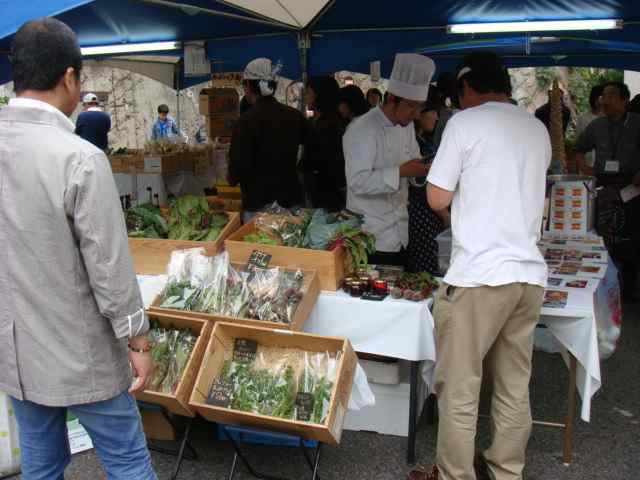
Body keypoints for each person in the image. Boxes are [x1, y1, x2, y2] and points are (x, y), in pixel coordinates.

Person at [0, 18, 156, 480]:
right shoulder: (80, 158)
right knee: (128, 463)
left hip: (16, 352)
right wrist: (138, 339)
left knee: (42, 468)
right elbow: (109, 269)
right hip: (80, 353)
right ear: (70, 77)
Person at [408, 52, 551, 480]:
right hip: (527, 275)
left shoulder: (465, 124)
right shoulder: (536, 128)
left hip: (480, 276)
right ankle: (505, 470)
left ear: (467, 88)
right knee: (512, 384)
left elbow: (436, 197)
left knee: (460, 385)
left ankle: (455, 474)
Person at [344, 53, 436, 267]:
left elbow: (412, 164)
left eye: (419, 107)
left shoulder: (407, 126)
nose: (415, 114)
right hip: (370, 236)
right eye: (411, 106)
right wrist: (401, 172)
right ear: (392, 99)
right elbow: (357, 181)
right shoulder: (362, 129)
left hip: (401, 230)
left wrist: (423, 169)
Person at [574, 81, 640, 299]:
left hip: (631, 188)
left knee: (630, 240)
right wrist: (585, 169)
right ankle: (603, 288)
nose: (605, 100)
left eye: (611, 96)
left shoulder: (637, 123)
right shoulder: (596, 126)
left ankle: (629, 289)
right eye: (603, 96)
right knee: (602, 240)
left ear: (625, 100)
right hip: (603, 187)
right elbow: (578, 149)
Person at [229, 58, 306, 221]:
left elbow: (237, 166)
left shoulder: (245, 121)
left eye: (245, 85)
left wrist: (232, 179)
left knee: (259, 247)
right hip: (291, 200)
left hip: (258, 205)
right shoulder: (294, 116)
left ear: (250, 86)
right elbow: (314, 149)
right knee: (291, 246)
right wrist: (299, 168)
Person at [407, 94, 448, 274]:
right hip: (422, 215)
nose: (437, 117)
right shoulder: (416, 144)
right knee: (427, 270)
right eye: (433, 112)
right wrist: (446, 216)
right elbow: (423, 187)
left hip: (428, 215)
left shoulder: (423, 141)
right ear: (420, 114)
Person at [301, 76, 346, 211]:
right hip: (321, 191)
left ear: (319, 95)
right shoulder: (321, 120)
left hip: (326, 194)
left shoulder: (329, 124)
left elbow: (327, 162)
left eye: (309, 92)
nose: (306, 96)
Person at [575, 84, 605, 169]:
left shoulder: (609, 119)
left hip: (605, 167)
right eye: (601, 97)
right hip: (587, 165)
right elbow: (577, 144)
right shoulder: (583, 119)